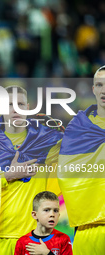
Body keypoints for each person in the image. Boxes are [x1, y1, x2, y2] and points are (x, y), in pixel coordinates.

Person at [0, 86, 63, 254]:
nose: (15, 109)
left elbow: (82, 153)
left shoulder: (48, 142)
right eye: (10, 104)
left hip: (34, 240)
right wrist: (8, 175)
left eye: (20, 104)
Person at [58, 66, 105, 254]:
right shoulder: (78, 129)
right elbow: (66, 174)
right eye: (99, 85)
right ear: (93, 89)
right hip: (88, 227)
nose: (104, 90)